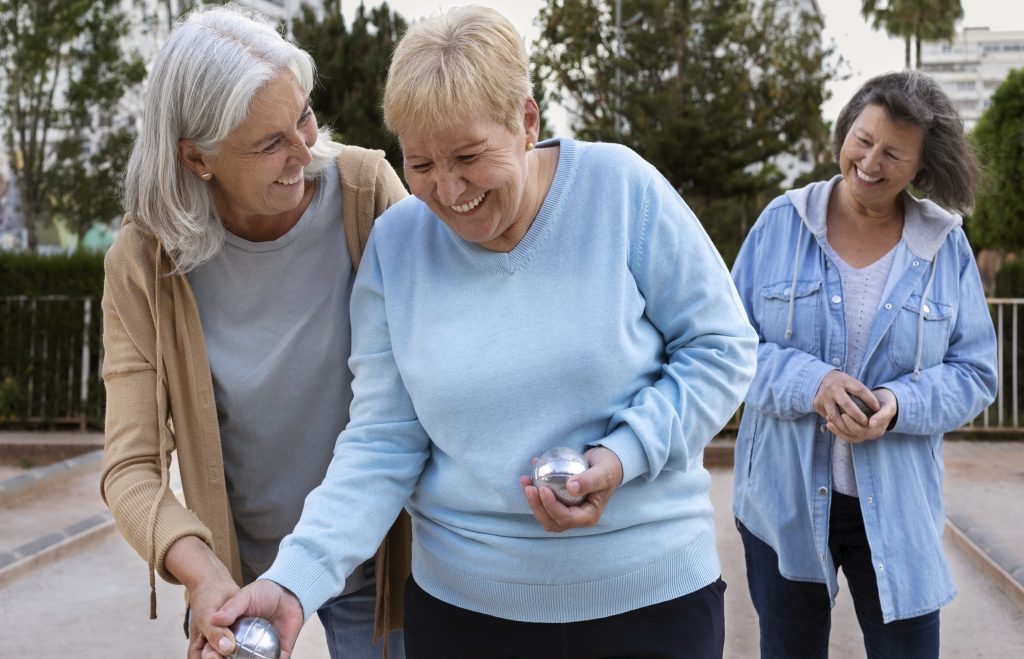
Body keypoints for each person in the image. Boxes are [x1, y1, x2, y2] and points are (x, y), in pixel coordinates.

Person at [202, 6, 758, 659]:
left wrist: (622, 455)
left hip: (652, 602)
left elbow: (721, 347)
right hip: (464, 618)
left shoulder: (620, 188)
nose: (448, 189)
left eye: (468, 156)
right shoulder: (397, 246)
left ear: (527, 121)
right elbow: (382, 442)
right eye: (422, 163)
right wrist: (293, 583)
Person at [99, 5, 410, 659]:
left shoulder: (365, 194)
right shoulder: (144, 260)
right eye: (270, 143)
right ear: (197, 158)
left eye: (302, 114)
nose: (305, 151)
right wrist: (201, 572)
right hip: (237, 579)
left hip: (377, 560)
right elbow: (131, 467)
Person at [730, 70, 998, 659]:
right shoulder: (781, 223)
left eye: (893, 154)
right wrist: (813, 383)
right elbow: (727, 348)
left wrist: (899, 405)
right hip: (784, 501)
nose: (870, 162)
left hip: (898, 510)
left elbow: (977, 372)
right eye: (863, 138)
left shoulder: (943, 247)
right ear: (845, 129)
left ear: (921, 170)